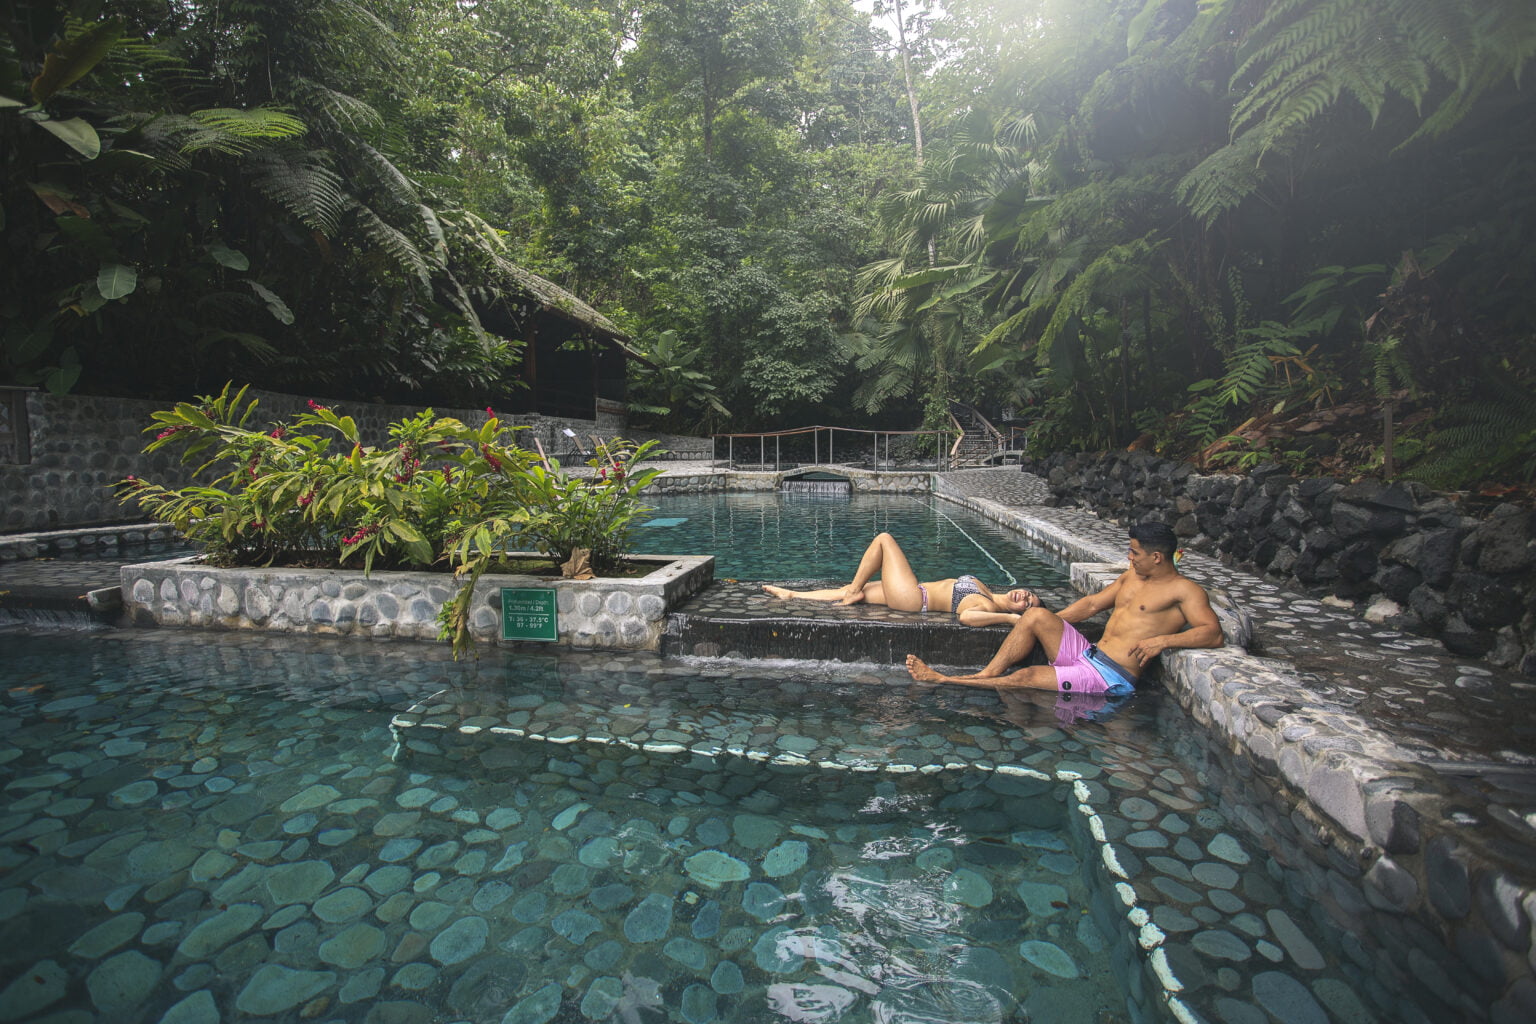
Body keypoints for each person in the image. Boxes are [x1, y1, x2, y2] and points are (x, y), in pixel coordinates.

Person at [905, 522, 1222, 694]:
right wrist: (1045, 621)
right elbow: (1092, 604)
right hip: (1088, 653)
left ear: (1157, 557)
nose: (1129, 557)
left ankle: (944, 680)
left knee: (1026, 676)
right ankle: (987, 673)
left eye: (1134, 553)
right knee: (1036, 615)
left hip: (1110, 676)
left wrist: (1163, 641)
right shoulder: (1131, 577)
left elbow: (1212, 634)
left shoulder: (1185, 591)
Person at [762, 531, 1039, 626]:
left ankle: (853, 591)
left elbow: (967, 618)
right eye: (1029, 594)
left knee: (884, 540)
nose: (1024, 597)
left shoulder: (989, 608)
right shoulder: (987, 592)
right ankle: (792, 595)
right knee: (852, 589)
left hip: (914, 599)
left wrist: (1011, 619)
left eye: (1027, 604)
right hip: (913, 592)